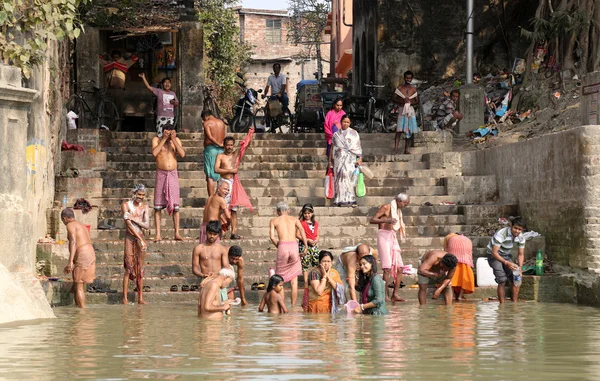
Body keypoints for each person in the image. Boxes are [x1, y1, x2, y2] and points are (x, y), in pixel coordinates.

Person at [214, 130, 255, 239]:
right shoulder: (220, 156)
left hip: (234, 184)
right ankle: (221, 230)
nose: (230, 147)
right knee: (222, 208)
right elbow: (216, 169)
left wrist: (250, 134)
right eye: (228, 145)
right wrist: (231, 171)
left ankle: (233, 232)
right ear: (224, 145)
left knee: (234, 209)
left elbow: (246, 146)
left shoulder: (235, 154)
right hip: (223, 183)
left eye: (231, 145)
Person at [369, 193, 410, 302]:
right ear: (399, 201)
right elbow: (372, 220)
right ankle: (385, 295)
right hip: (383, 236)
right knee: (386, 268)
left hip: (392, 236)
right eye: (405, 204)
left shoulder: (397, 210)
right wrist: (387, 220)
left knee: (400, 268)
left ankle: (395, 294)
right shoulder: (386, 207)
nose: (405, 206)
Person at [269, 202, 308, 307]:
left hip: (282, 245)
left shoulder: (274, 220)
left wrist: (280, 246)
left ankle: (282, 306)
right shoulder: (294, 219)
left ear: (277, 211)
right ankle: (294, 306)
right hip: (294, 246)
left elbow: (272, 237)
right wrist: (306, 246)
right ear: (288, 211)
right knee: (294, 281)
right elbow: (302, 230)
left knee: (280, 280)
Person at [151, 124, 185, 241]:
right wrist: (164, 139)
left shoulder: (176, 140)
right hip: (161, 174)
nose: (169, 133)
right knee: (158, 206)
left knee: (176, 206)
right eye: (167, 131)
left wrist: (174, 140)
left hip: (173, 174)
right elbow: (155, 153)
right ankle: (158, 234)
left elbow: (182, 154)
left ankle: (177, 233)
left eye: (171, 132)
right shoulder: (157, 140)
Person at [61, 208, 96, 309]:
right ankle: (78, 308)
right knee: (78, 283)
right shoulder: (81, 225)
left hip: (83, 252)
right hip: (90, 251)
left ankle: (82, 313)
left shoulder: (70, 225)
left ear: (65, 219)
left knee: (79, 284)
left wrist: (70, 262)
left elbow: (73, 242)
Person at [121, 184, 150, 305]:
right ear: (134, 194)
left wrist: (135, 219)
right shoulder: (125, 205)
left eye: (143, 195)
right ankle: (125, 298)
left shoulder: (145, 207)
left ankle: (140, 297)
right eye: (139, 195)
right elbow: (128, 224)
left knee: (140, 268)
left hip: (140, 237)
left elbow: (147, 225)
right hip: (130, 237)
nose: (141, 197)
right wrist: (140, 238)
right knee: (128, 267)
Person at [487, 217, 526, 303]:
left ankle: (514, 304)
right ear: (511, 226)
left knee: (517, 278)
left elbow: (521, 254)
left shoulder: (521, 237)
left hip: (506, 255)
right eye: (515, 228)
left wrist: (520, 268)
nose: (517, 231)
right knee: (502, 281)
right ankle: (502, 306)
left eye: (520, 229)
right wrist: (506, 262)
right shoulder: (502, 234)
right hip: (493, 256)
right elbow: (494, 253)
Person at [328, 115, 363, 207]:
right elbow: (333, 148)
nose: (346, 124)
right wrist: (330, 161)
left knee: (349, 178)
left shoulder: (354, 133)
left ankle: (352, 199)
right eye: (344, 122)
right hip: (338, 160)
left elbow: (358, 147)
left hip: (350, 160)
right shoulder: (336, 135)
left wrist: (360, 159)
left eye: (348, 122)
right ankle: (338, 199)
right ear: (341, 122)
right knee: (339, 179)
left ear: (350, 123)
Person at [99, 49, 138, 118]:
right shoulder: (109, 63)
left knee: (119, 109)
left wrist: (130, 55)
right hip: (110, 89)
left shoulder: (124, 63)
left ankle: (118, 126)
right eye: (114, 57)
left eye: (117, 57)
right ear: (112, 57)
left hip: (119, 90)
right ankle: (110, 126)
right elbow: (98, 59)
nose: (115, 59)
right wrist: (102, 55)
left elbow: (135, 58)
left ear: (120, 57)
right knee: (110, 109)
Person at [139, 73, 179, 137]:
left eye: (168, 82)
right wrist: (143, 77)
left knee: (169, 136)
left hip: (170, 118)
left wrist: (173, 102)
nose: (167, 84)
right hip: (161, 117)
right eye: (165, 82)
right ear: (162, 84)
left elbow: (177, 104)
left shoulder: (173, 93)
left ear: (170, 84)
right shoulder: (159, 91)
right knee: (160, 135)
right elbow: (148, 87)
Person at [393, 71, 419, 154]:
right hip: (401, 109)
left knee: (410, 129)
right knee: (399, 130)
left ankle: (406, 149)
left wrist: (410, 102)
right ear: (404, 78)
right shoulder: (400, 88)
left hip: (410, 110)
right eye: (407, 78)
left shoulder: (413, 89)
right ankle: (396, 149)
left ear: (412, 79)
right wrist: (402, 101)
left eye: (410, 78)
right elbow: (393, 99)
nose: (408, 79)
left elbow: (417, 101)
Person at [202, 110, 226, 196]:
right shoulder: (221, 122)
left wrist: (217, 143)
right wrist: (220, 144)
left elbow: (209, 136)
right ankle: (220, 198)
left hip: (211, 149)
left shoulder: (207, 123)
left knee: (210, 176)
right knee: (220, 174)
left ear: (205, 116)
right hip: (221, 150)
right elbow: (223, 136)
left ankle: (211, 199)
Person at [446, 234, 475, 301]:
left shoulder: (450, 238)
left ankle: (452, 295)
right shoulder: (467, 240)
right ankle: (460, 296)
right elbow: (470, 254)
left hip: (453, 262)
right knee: (464, 280)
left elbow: (447, 251)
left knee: (452, 278)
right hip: (465, 261)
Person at [298, 204, 320, 288]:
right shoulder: (301, 223)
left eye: (309, 213)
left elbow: (318, 234)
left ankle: (315, 279)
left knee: (316, 263)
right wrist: (306, 240)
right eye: (305, 213)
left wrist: (316, 240)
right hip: (304, 245)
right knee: (305, 264)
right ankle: (306, 283)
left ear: (312, 213)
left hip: (314, 246)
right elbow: (297, 234)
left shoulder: (316, 223)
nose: (307, 215)